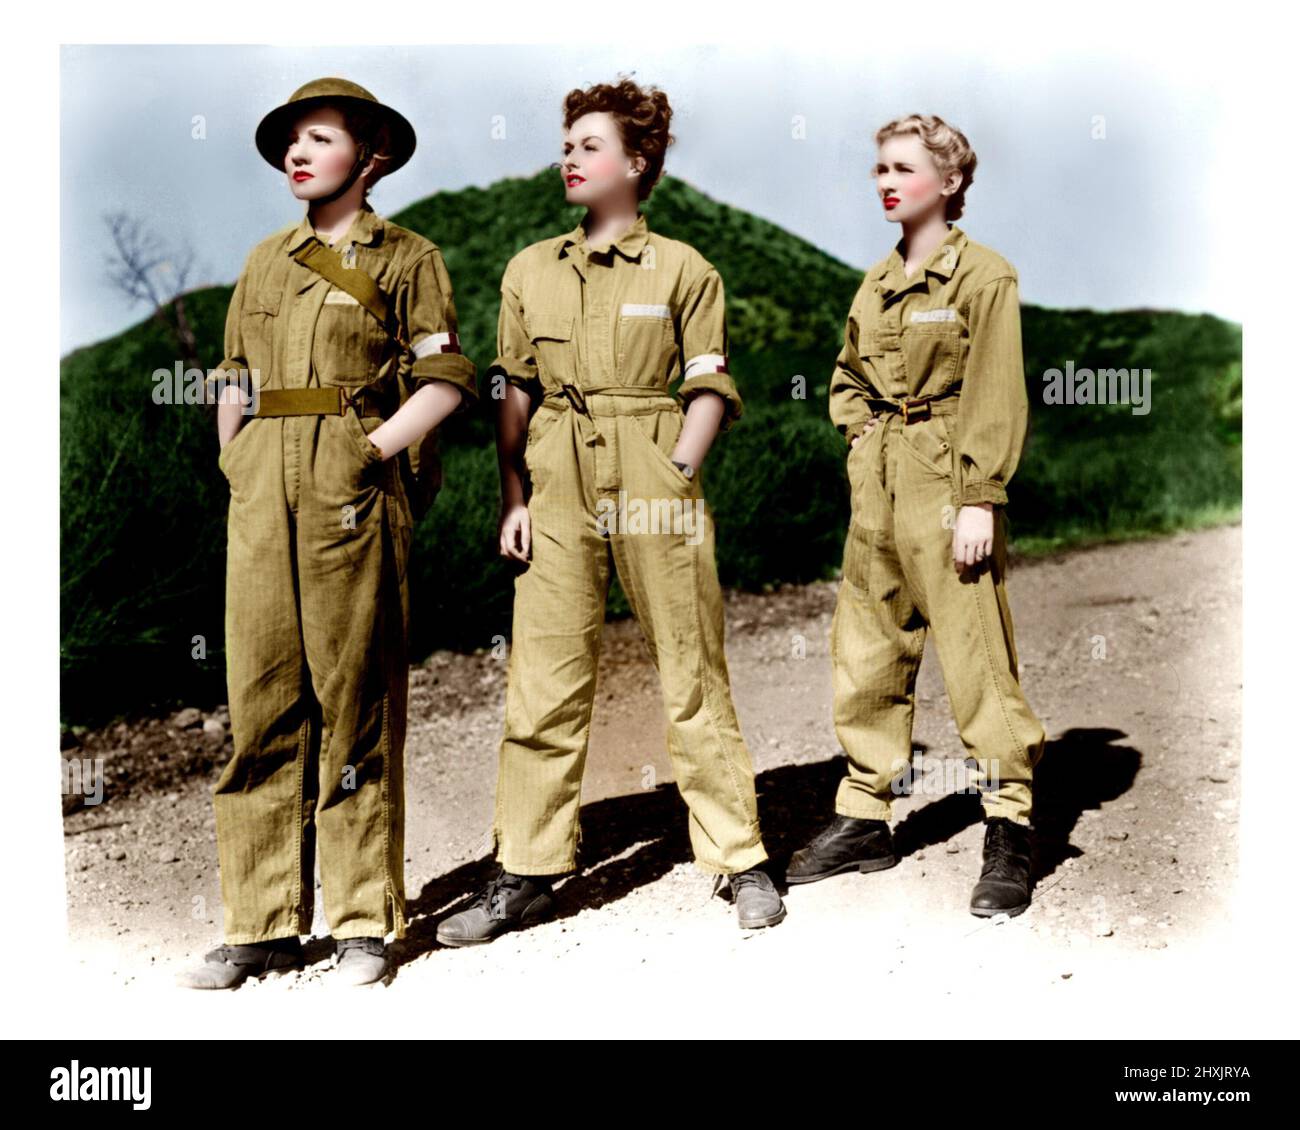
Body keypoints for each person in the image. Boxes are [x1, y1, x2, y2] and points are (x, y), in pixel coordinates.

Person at [437, 77, 785, 945]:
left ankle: (739, 857)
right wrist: (513, 495)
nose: (569, 158)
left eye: (590, 146)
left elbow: (708, 383)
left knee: (690, 663)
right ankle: (526, 870)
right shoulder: (528, 270)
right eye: (566, 145)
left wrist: (678, 468)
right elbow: (513, 388)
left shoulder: (685, 269)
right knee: (544, 673)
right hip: (555, 469)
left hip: (652, 460)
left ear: (637, 163)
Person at [177, 77, 477, 988]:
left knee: (354, 701)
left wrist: (371, 450)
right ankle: (260, 926)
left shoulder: (409, 257)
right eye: (290, 142)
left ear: (370, 156)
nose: (297, 154)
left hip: (351, 480)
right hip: (262, 482)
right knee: (259, 697)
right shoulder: (265, 259)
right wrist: (234, 456)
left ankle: (360, 924)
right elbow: (232, 370)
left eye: (318, 138)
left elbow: (447, 377)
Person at [787, 114, 1045, 917]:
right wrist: (861, 437)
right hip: (880, 481)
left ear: (951, 181)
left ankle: (1010, 822)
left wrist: (979, 497)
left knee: (976, 657)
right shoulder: (876, 281)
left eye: (903, 167)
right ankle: (865, 817)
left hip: (948, 475)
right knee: (867, 651)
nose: (886, 181)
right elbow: (848, 376)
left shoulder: (984, 276)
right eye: (879, 168)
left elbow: (996, 392)